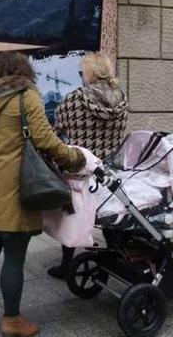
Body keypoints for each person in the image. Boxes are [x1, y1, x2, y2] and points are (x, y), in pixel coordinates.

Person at [0, 51, 86, 337]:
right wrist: (73, 157)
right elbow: (44, 138)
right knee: (14, 257)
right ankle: (12, 321)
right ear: (25, 71)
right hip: (16, 188)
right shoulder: (25, 95)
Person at [46, 52, 128, 279]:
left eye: (83, 71)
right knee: (110, 216)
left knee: (72, 217)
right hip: (108, 172)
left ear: (91, 72)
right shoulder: (122, 99)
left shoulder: (75, 99)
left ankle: (66, 265)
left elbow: (57, 131)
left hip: (80, 172)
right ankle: (111, 261)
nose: (81, 75)